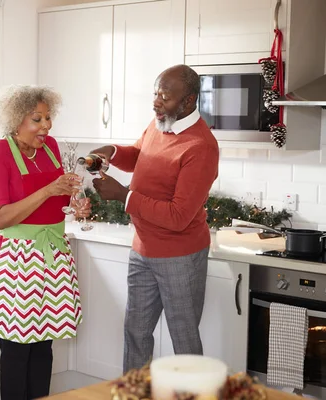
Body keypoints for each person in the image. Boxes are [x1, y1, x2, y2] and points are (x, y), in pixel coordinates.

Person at [91, 64, 219, 372]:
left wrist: (124, 196)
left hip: (180, 255)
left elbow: (177, 216)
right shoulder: (161, 122)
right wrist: (111, 151)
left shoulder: (200, 147)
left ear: (188, 102)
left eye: (164, 96)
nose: (156, 102)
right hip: (143, 248)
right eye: (155, 93)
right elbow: (139, 154)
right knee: (135, 332)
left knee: (183, 341)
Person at [0, 84, 90, 400]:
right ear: (16, 121)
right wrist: (48, 191)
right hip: (14, 257)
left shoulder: (51, 147)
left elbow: (56, 202)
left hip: (51, 253)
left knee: (44, 345)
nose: (46, 126)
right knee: (17, 349)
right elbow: (0, 217)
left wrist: (76, 206)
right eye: (37, 119)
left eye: (48, 117)